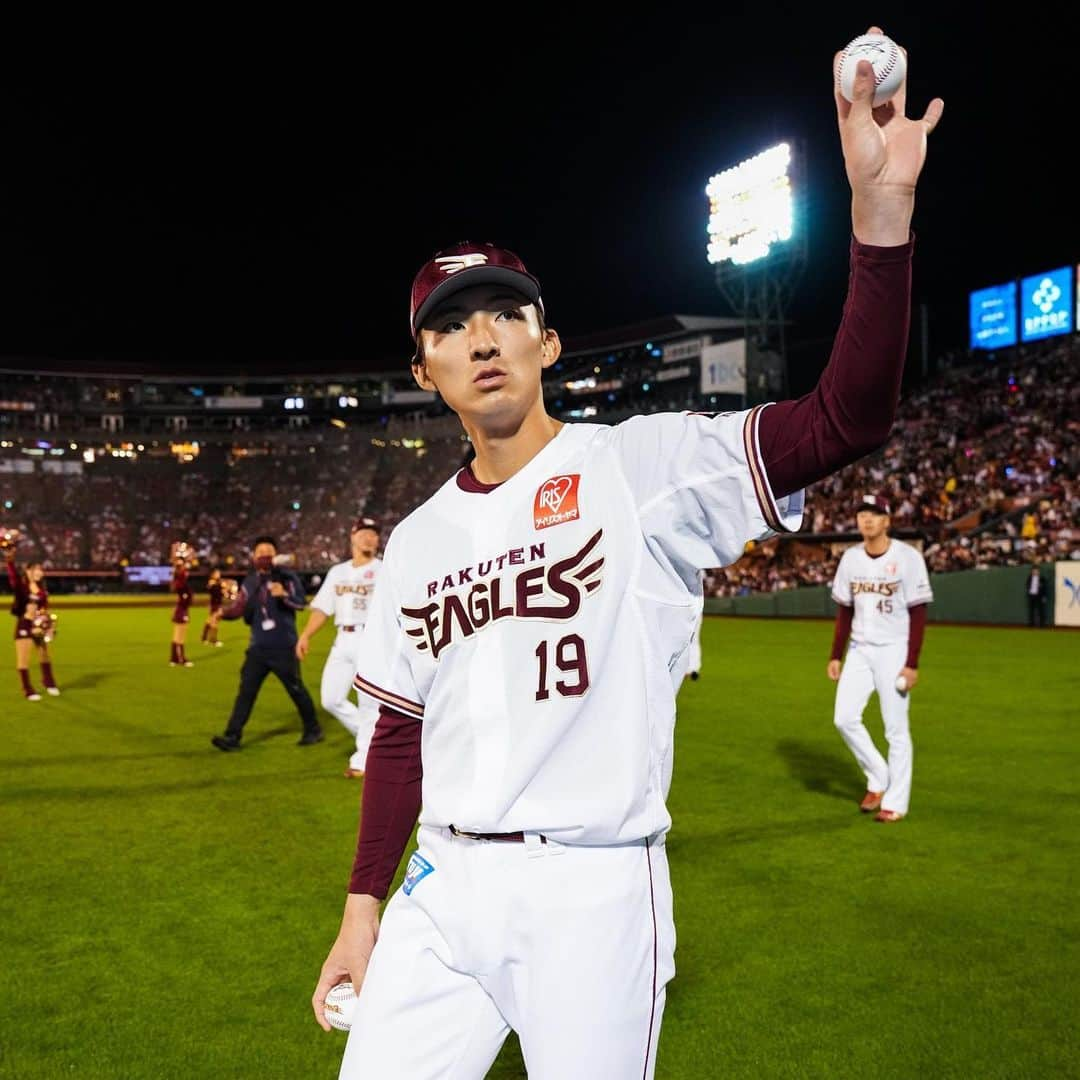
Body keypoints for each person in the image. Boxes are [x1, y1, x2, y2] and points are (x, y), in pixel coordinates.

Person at [312, 30, 942, 1078]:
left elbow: (846, 420)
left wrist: (881, 222)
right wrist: (360, 907)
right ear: (423, 367)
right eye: (450, 326)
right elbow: (397, 741)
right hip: (443, 886)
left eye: (506, 312)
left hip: (593, 892)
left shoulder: (647, 469)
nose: (482, 337)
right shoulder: (417, 541)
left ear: (546, 343)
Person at [827, 493, 934, 823]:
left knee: (895, 729)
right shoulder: (851, 558)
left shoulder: (907, 557)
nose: (867, 519)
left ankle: (895, 802)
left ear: (887, 521)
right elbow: (845, 609)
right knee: (844, 718)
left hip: (893, 650)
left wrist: (912, 662)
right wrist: (836, 655)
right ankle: (878, 776)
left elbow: (918, 613)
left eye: (874, 514)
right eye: (862, 514)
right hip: (859, 649)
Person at [210, 536, 323, 751]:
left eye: (268, 550)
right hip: (258, 647)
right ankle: (232, 736)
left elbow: (301, 604)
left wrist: (284, 595)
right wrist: (222, 613)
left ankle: (313, 729)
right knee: (246, 692)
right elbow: (240, 607)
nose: (264, 554)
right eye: (260, 551)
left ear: (276, 555)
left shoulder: (288, 577)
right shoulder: (250, 581)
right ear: (253, 556)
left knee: (296, 689)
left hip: (283, 645)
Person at [296, 517, 384, 779]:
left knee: (369, 703)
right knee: (331, 699)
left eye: (374, 534)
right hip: (342, 638)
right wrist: (305, 635)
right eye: (365, 533)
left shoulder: (385, 569)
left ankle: (363, 759)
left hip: (371, 639)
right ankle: (375, 741)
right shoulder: (338, 572)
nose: (370, 538)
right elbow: (323, 607)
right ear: (353, 537)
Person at [6, 541, 60, 701]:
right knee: (23, 659)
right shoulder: (21, 587)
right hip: (24, 624)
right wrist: (10, 560)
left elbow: (45, 609)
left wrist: (48, 625)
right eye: (36, 569)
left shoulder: (42, 591)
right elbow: (14, 577)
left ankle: (49, 682)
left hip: (38, 625)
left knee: (44, 655)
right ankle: (28, 689)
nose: (39, 571)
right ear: (28, 571)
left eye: (41, 569)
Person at [168, 545, 195, 668]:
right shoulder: (181, 583)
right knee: (181, 636)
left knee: (177, 635)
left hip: (180, 609)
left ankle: (173, 658)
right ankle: (181, 659)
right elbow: (186, 596)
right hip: (182, 610)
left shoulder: (178, 582)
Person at [201, 567, 225, 647]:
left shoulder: (218, 582)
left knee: (209, 621)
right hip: (215, 604)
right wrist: (221, 587)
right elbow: (212, 591)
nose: (219, 575)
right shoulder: (212, 583)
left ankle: (204, 638)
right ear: (213, 574)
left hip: (216, 604)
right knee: (215, 622)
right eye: (217, 573)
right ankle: (213, 640)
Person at [1025, 562, 1048, 627]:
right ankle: (1031, 623)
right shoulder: (1029, 578)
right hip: (1032, 596)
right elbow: (1027, 586)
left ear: (1038, 571)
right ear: (1032, 571)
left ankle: (1042, 624)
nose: (1035, 572)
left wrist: (1044, 596)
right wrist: (1029, 593)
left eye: (1036, 571)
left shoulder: (1042, 579)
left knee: (1041, 610)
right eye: (1034, 571)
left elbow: (1045, 588)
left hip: (1039, 596)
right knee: (1031, 610)